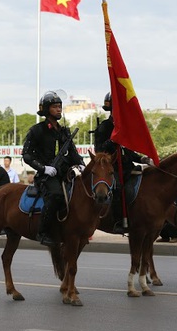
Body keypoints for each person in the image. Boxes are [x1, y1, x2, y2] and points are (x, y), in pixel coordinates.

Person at [22, 91, 85, 247]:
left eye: (60, 106)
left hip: (65, 174)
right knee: (56, 195)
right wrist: (43, 168)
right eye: (55, 107)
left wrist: (82, 164)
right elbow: (27, 155)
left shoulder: (64, 132)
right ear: (46, 109)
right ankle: (43, 232)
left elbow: (73, 153)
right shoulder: (37, 130)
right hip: (47, 177)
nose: (59, 109)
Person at [94, 92, 153, 234]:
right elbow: (99, 150)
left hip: (127, 167)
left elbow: (127, 151)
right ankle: (119, 221)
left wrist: (142, 159)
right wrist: (113, 139)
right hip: (111, 168)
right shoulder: (104, 127)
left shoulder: (124, 127)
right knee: (120, 189)